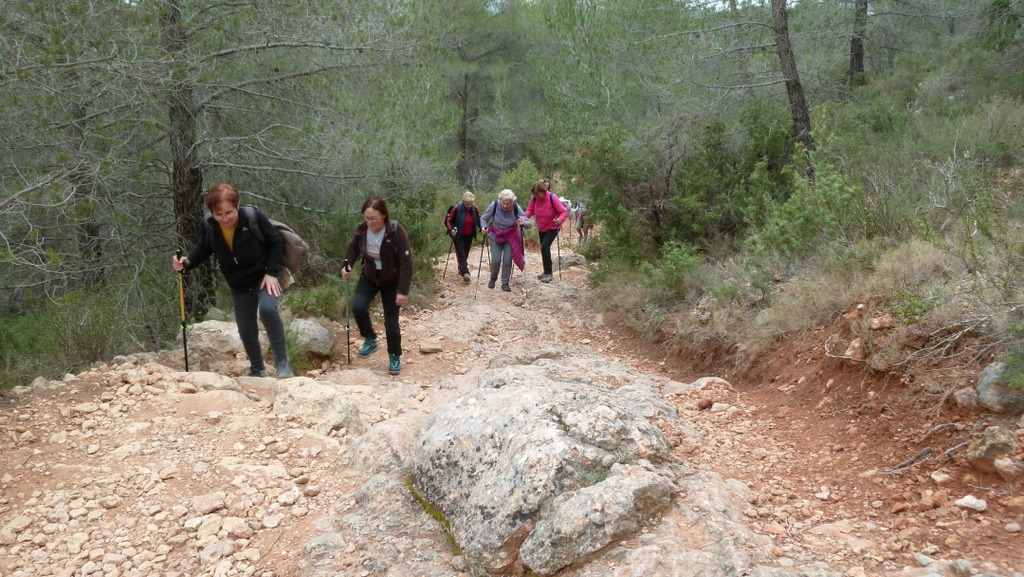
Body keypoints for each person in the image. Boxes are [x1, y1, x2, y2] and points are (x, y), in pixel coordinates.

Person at [172, 183, 293, 378]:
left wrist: (271, 272)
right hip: (238, 282)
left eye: (229, 213)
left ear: (238, 206)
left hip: (265, 275)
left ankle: (283, 363)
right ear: (212, 212)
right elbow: (204, 249)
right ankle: (257, 369)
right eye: (219, 215)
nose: (225, 219)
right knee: (246, 329)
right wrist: (187, 263)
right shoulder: (208, 224)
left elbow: (275, 242)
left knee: (268, 309)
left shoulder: (253, 217)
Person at [342, 196, 413, 376]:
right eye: (367, 218)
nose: (370, 222)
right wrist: (347, 263)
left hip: (392, 280)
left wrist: (403, 290)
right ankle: (370, 339)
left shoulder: (396, 231)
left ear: (384, 215)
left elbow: (406, 261)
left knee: (391, 323)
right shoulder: (362, 230)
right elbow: (353, 248)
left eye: (374, 218)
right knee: (358, 306)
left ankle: (394, 355)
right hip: (370, 276)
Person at [480, 189, 532, 291]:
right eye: (503, 203)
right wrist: (484, 227)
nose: (505, 206)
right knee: (496, 260)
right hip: (495, 235)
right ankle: (493, 278)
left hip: (510, 236)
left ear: (512, 202)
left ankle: (505, 283)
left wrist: (523, 223)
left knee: (507, 260)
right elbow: (484, 218)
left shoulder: (516, 207)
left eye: (508, 204)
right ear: (500, 201)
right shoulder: (494, 205)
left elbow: (528, 223)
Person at [524, 179, 568, 283]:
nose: (537, 197)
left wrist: (560, 219)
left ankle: (549, 274)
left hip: (553, 226)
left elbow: (563, 211)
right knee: (544, 249)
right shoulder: (534, 198)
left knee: (545, 247)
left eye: (538, 195)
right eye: (535, 195)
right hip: (541, 226)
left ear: (544, 191)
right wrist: (522, 217)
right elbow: (530, 210)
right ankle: (545, 272)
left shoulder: (552, 197)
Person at [445, 191, 482, 283]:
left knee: (465, 253)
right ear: (463, 202)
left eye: (471, 203)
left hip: (469, 234)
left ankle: (461, 267)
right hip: (458, 234)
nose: (470, 205)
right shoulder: (456, 208)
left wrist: (483, 227)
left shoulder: (475, 209)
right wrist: (452, 229)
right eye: (468, 204)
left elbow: (479, 220)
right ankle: (465, 273)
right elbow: (448, 220)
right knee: (461, 252)